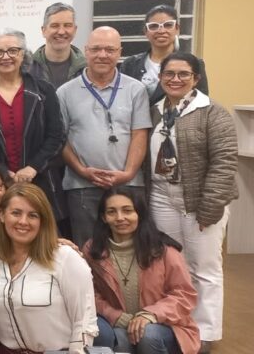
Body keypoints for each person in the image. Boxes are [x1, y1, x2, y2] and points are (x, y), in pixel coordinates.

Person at [146, 52, 236, 352]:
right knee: (173, 265)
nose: (175, 79)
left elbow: (224, 163)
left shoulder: (212, 112)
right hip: (162, 197)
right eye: (169, 74)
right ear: (160, 78)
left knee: (204, 269)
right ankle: (179, 325)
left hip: (200, 200)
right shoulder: (155, 111)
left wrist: (210, 207)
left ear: (196, 78)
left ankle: (205, 333)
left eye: (183, 74)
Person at [58, 27, 152, 246]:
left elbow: (139, 134)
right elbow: (60, 139)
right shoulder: (65, 92)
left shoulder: (135, 89)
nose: (102, 55)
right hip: (82, 185)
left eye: (109, 49)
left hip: (129, 184)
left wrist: (127, 173)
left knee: (132, 247)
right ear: (86, 51)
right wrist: (82, 171)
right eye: (96, 49)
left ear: (120, 52)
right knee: (88, 248)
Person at [0, 182, 98, 354]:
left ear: (43, 221)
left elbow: (84, 321)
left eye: (33, 215)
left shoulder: (66, 257)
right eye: (16, 213)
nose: (23, 221)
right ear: (2, 215)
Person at [0, 29, 66, 229]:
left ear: (23, 55)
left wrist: (33, 167)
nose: (6, 57)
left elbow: (56, 135)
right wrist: (3, 173)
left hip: (41, 179)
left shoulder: (44, 90)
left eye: (13, 50)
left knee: (42, 239)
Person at [86, 188, 199, 354]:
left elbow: (184, 295)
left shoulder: (163, 248)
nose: (120, 218)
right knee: (118, 337)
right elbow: (89, 294)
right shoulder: (92, 250)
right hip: (120, 325)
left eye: (127, 210)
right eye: (112, 212)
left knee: (148, 334)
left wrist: (150, 315)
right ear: (104, 218)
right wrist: (115, 315)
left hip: (166, 326)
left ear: (139, 213)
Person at [120, 5, 210, 105]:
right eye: (154, 26)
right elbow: (122, 101)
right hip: (137, 120)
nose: (161, 31)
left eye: (168, 25)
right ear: (146, 32)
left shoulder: (194, 64)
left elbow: (201, 103)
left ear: (177, 29)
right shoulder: (130, 65)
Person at [31, 2, 86, 88]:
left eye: (67, 25)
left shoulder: (87, 69)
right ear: (43, 30)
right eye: (55, 26)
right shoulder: (27, 68)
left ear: (75, 30)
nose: (61, 32)